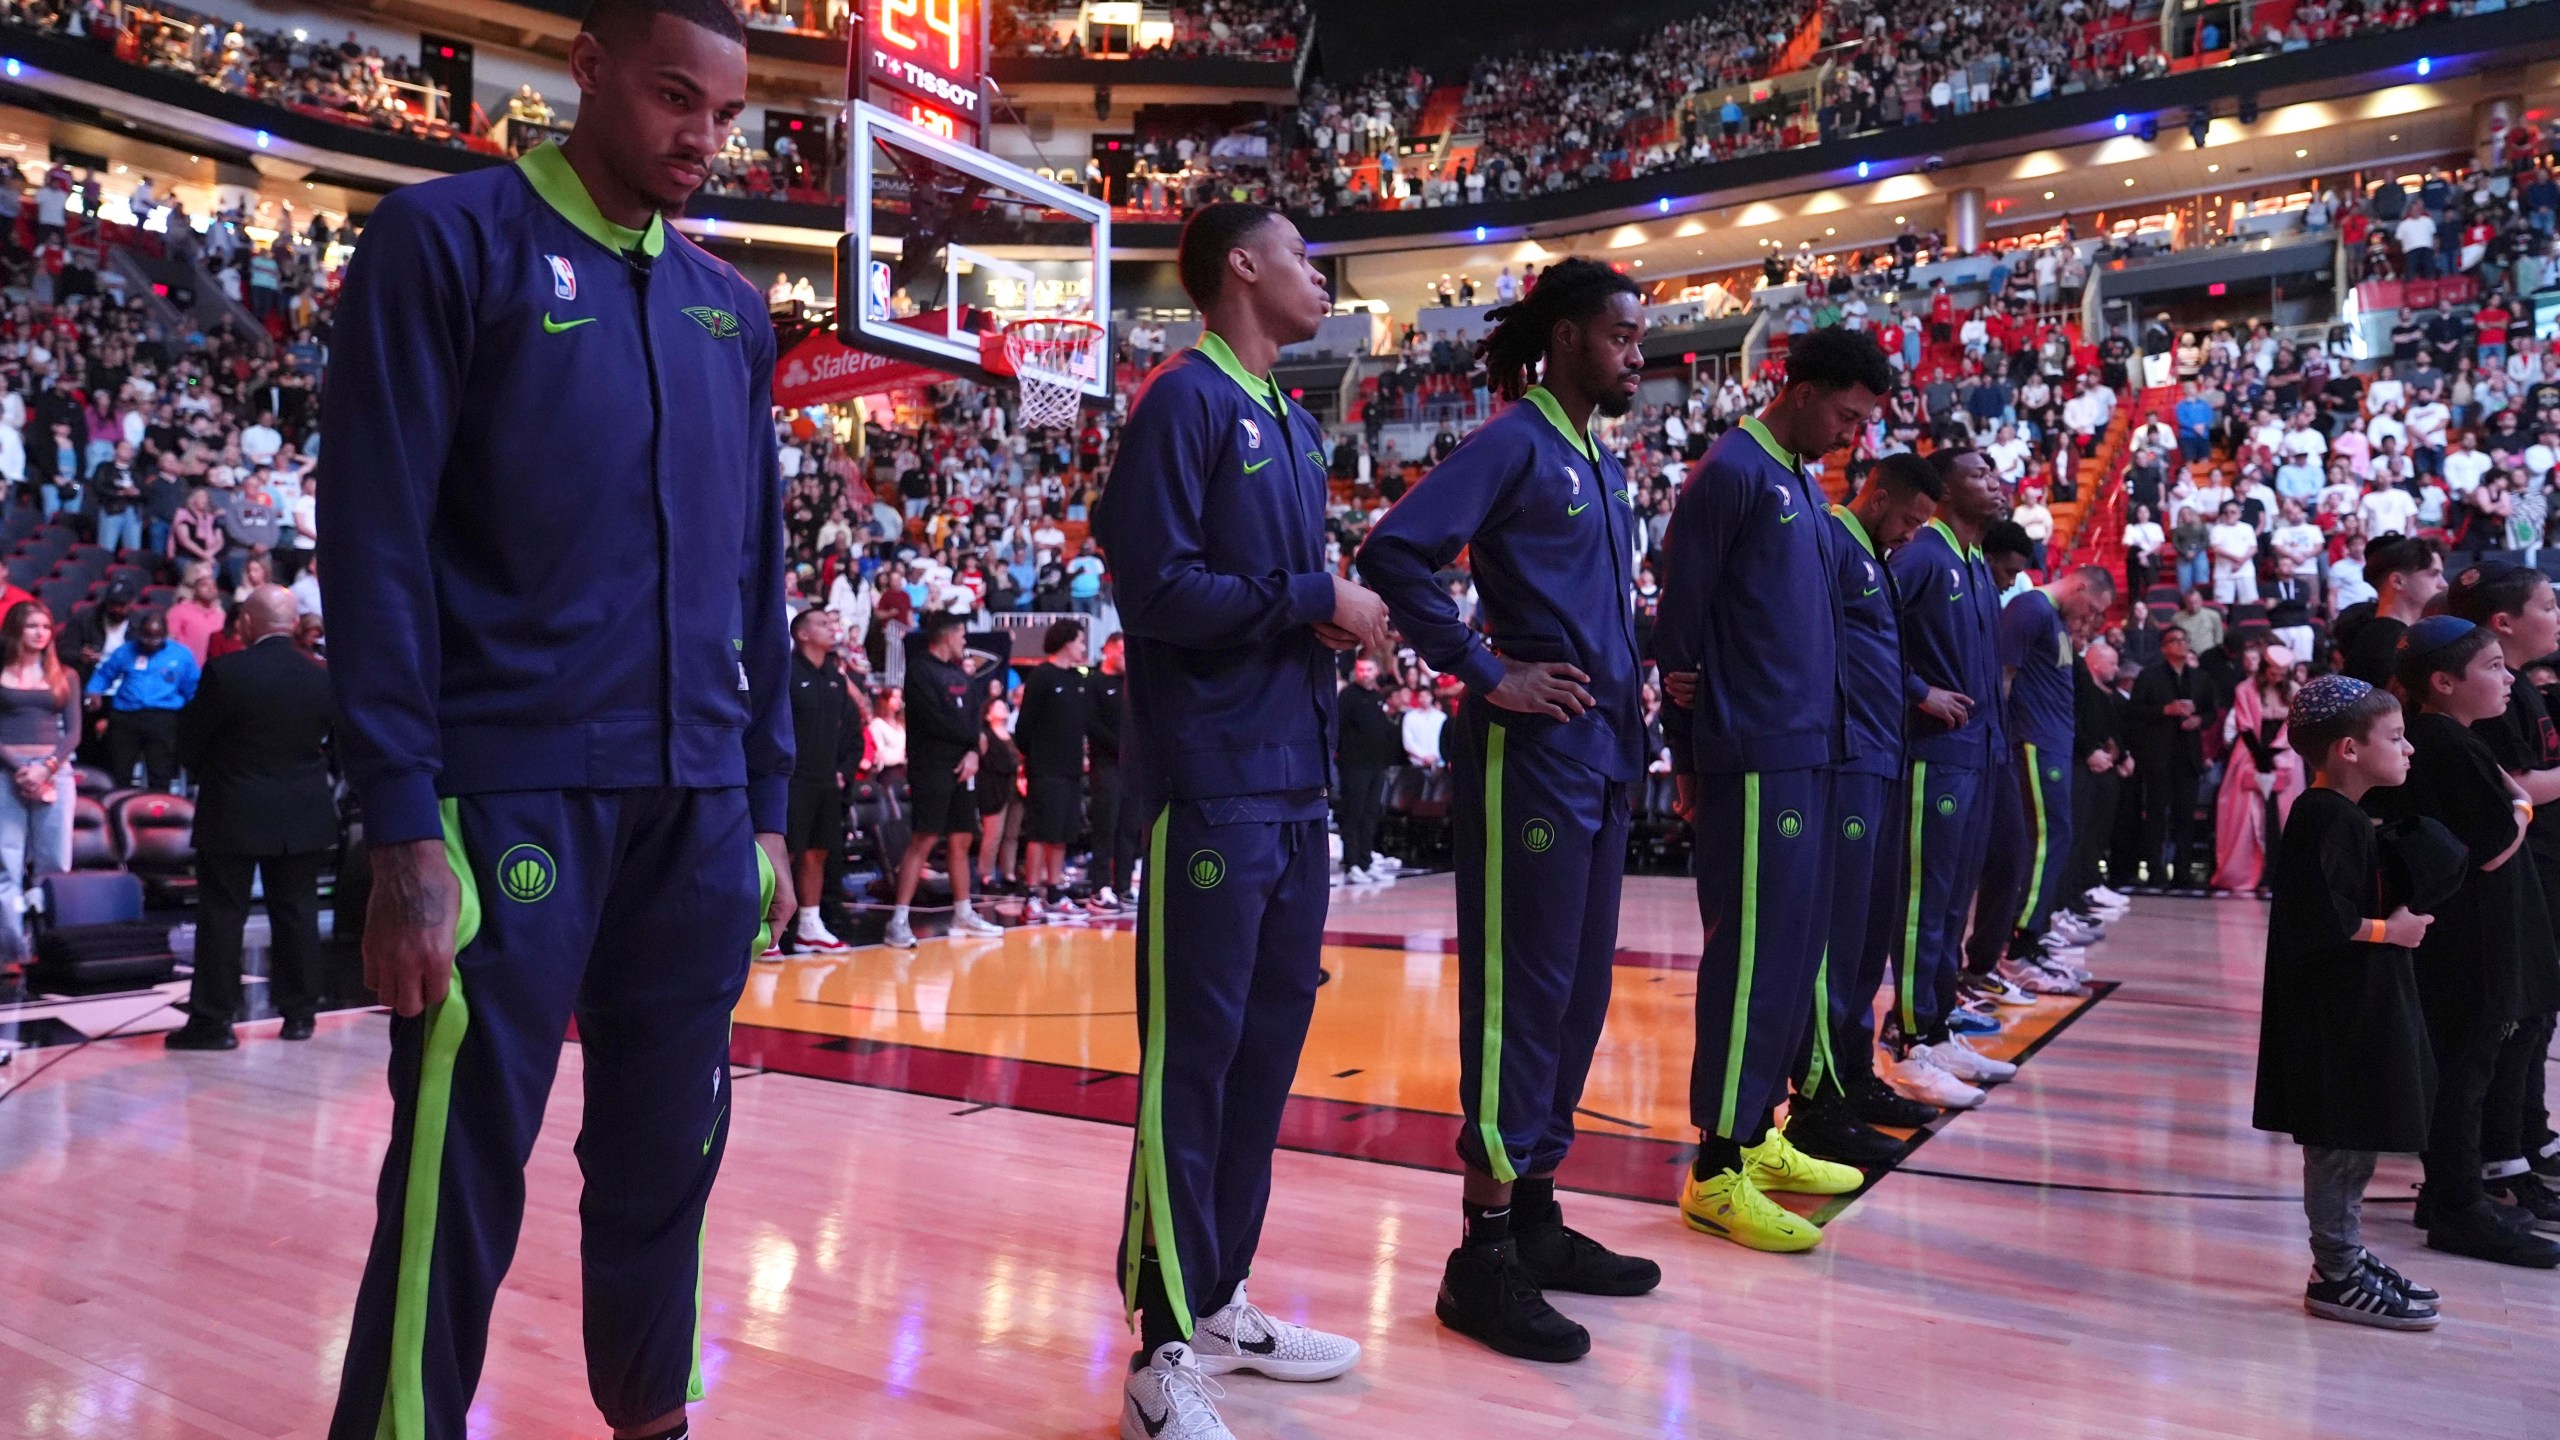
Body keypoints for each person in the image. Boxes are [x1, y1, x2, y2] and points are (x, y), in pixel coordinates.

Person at [317, 0, 796, 1432]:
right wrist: (404, 825)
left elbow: (755, 576)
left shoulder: (731, 307)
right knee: (460, 1177)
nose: (702, 139)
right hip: (506, 790)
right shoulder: (443, 242)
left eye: (723, 114)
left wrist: (765, 809)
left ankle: (655, 1418)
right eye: (672, 100)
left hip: (699, 806)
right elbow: (377, 545)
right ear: (583, 69)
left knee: (669, 1162)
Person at [1091, 201, 1387, 1440]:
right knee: (1194, 1063)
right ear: (1240, 269)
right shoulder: (1183, 400)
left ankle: (1218, 1302)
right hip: (1209, 780)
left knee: (1262, 1059)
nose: (1320, 279)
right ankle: (1159, 1346)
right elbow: (1151, 589)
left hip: (1292, 777)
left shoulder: (1291, 421)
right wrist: (1310, 593)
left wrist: (1307, 612)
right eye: (1302, 259)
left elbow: (1259, 599)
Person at [1357, 256, 1662, 1365]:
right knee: (1518, 998)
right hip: (1528, 759)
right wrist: (1485, 671)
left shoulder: (1595, 458)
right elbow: (1392, 553)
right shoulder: (1514, 439)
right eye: (1624, 334)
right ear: (1571, 336)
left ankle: (1533, 1218)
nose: (1639, 352)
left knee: (1577, 997)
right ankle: (1477, 1257)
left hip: (1600, 757)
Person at [1653, 326, 1889, 1254]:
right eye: (1844, 415)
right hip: (1750, 755)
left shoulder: (1798, 478)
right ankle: (1715, 1168)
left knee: (1793, 954)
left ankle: (1759, 1134)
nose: (1850, 436)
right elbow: (1681, 630)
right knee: (1751, 960)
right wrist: (1687, 754)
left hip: (1809, 751)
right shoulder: (1733, 474)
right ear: (1798, 391)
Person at [2366, 617, 2560, 1267]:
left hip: (2473, 928)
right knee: (2464, 1067)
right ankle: (2456, 1204)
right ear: (2445, 683)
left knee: (2468, 1063)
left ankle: (2455, 1192)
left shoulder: (2448, 737)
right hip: (2471, 931)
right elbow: (2493, 845)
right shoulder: (2446, 742)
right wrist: (2519, 809)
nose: (2508, 680)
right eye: (2493, 669)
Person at [2252, 674, 2444, 1328]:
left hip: (2346, 1005)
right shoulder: (2323, 814)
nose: (2409, 748)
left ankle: (2347, 1258)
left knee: (2353, 1141)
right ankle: (2336, 1274)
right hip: (2328, 1013)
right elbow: (2320, 920)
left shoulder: (2342, 813)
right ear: (2348, 749)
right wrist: (2396, 931)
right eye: (2394, 737)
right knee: (2337, 1145)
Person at [1783, 453, 1951, 1157]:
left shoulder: (1876, 553)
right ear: (1879, 496)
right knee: (1838, 940)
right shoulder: (1830, 536)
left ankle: (1852, 1076)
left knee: (1868, 938)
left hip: (1884, 758)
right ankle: (1818, 1103)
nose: (1914, 536)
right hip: (1846, 760)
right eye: (1910, 520)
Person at [1877, 445, 2019, 1105]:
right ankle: (1906, 1042)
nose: (1996, 483)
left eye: (1995, 473)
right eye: (1979, 474)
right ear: (1943, 488)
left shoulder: (1974, 564)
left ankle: (1935, 1025)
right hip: (1933, 754)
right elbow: (1869, 631)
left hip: (1977, 753)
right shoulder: (1923, 556)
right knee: (1923, 904)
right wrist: (1917, 691)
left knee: (1953, 904)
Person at [164, 587, 334, 1050]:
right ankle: (300, 1016)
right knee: (298, 912)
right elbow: (337, 748)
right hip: (301, 809)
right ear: (294, 623)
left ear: (247, 624)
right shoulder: (321, 675)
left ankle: (214, 1024)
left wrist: (210, 773)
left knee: (222, 917)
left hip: (233, 807)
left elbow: (191, 742)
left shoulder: (226, 671)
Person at [2443, 561, 2560, 1227]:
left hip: (2538, 865)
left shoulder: (2522, 688)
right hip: (2519, 868)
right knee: (2507, 1020)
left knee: (2534, 1014)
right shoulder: (2490, 701)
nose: (2557, 614)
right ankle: (2495, 1160)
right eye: (2548, 603)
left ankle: (2522, 1143)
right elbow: (2515, 784)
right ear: (2504, 621)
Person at [1965, 563, 2120, 995]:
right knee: (2046, 840)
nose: (2091, 616)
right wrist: (1995, 741)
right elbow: (2003, 677)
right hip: (2031, 741)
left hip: (2052, 742)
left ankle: (2031, 938)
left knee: (2058, 838)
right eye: (2092, 606)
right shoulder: (2028, 608)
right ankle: (2017, 947)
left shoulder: (2051, 618)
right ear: (2080, 584)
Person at [883, 611, 1004, 947]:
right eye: (962, 635)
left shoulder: (961, 675)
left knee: (962, 839)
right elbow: (935, 720)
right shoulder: (920, 671)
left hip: (963, 765)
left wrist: (972, 753)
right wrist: (970, 742)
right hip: (931, 766)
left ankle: (964, 913)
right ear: (947, 636)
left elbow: (973, 721)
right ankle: (898, 920)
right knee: (924, 838)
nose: (965, 642)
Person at [774, 607, 858, 957]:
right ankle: (770, 930)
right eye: (823, 623)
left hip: (825, 778)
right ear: (802, 634)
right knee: (785, 853)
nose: (832, 627)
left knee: (818, 852)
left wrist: (843, 768)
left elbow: (850, 728)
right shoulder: (787, 673)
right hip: (792, 778)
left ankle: (810, 925)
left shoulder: (835, 676)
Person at [0, 601, 75, 965]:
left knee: (54, 864)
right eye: (32, 626)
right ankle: (9, 950)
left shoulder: (66, 675)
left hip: (54, 773)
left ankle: (52, 949)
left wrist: (45, 767)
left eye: (46, 626)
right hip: (5, 772)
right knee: (5, 863)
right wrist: (19, 767)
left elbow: (75, 733)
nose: (41, 633)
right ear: (16, 629)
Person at [1011, 617, 1092, 918]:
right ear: (1066, 642)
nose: (1083, 647)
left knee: (1063, 833)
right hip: (1045, 769)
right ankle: (1031, 894)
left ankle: (1054, 891)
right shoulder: (1042, 677)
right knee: (1041, 831)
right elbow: (1024, 728)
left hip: (1072, 770)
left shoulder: (1077, 679)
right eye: (1081, 641)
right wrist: (1035, 760)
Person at [2131, 625, 2220, 890]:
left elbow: (2212, 712)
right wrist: (2165, 710)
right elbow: (2135, 711)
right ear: (2164, 647)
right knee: (2157, 816)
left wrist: (2198, 720)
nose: (2182, 644)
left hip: (2188, 756)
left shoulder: (2201, 678)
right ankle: (2155, 871)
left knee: (2185, 816)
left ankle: (2183, 871)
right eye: (2176, 640)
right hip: (2159, 756)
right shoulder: (2149, 676)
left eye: (2185, 639)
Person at [2212, 645, 2306, 894]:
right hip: (2251, 754)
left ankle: (2278, 876)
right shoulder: (2245, 689)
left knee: (2282, 816)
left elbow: (2293, 726)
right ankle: (2248, 873)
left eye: (2281, 674)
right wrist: (2259, 755)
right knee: (2245, 817)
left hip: (2285, 756)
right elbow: (2244, 725)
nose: (2277, 679)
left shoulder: (2295, 692)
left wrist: (2276, 751)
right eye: (2273, 673)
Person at [85, 611, 198, 793]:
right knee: (119, 771)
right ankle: (119, 810)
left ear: (165, 635)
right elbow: (104, 674)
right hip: (126, 715)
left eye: (156, 639)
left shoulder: (181, 655)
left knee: (160, 772)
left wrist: (192, 714)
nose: (150, 644)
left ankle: (158, 813)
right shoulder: (125, 651)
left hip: (163, 717)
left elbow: (192, 688)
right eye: (146, 638)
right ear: (139, 633)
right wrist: (94, 691)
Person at [2339, 536, 2446, 688]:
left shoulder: (2402, 636)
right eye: (2434, 574)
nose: (2443, 584)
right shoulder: (2383, 643)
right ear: (2397, 581)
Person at [1084, 630, 1139, 914]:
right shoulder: (1094, 682)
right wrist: (1120, 747)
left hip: (1131, 766)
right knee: (1106, 824)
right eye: (1122, 651)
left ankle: (1124, 885)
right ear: (1108, 651)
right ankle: (1100, 886)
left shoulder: (1131, 685)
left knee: (1129, 827)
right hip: (1106, 764)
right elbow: (1091, 724)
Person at [1333, 656, 1401, 884]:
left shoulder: (1377, 697)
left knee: (1371, 814)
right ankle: (1351, 863)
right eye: (1361, 669)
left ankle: (1365, 862)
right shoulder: (1348, 696)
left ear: (1377, 671)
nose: (1364, 673)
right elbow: (1338, 727)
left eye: (1369, 669)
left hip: (1376, 765)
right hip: (1354, 765)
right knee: (1354, 813)